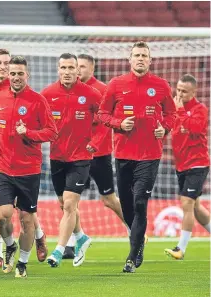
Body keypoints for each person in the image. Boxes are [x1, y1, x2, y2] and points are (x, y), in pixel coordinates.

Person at [98, 41, 176, 273]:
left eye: (144, 55)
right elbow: (102, 113)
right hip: (123, 154)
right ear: (129, 60)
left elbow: (171, 114)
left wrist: (165, 128)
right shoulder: (116, 84)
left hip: (150, 154)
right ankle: (139, 239)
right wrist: (118, 123)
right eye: (137, 55)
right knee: (128, 205)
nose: (140, 59)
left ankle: (132, 257)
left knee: (140, 201)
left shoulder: (161, 86)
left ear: (150, 61)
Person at [0, 49, 48, 267]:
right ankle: (7, 247)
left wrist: (29, 134)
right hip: (1, 163)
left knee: (26, 217)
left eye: (18, 72)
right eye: (12, 72)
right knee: (0, 212)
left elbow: (51, 132)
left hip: (28, 167)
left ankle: (27, 256)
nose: (14, 75)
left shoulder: (37, 100)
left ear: (27, 75)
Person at [58, 54, 129, 261]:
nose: (77, 70)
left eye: (81, 67)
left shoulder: (101, 90)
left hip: (99, 154)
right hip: (75, 155)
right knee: (68, 199)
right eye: (75, 66)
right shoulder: (69, 91)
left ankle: (133, 227)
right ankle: (72, 242)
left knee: (108, 199)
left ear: (92, 68)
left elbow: (109, 121)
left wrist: (96, 144)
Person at [41, 53, 101, 268]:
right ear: (58, 70)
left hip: (81, 158)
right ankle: (82, 236)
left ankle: (58, 250)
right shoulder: (47, 94)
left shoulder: (91, 94)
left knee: (68, 205)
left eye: (71, 68)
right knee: (63, 204)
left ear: (78, 71)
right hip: (57, 158)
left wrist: (96, 141)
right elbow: (39, 121)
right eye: (63, 68)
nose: (67, 72)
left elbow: (104, 119)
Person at [165, 74, 210, 259]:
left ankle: (180, 249)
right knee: (197, 207)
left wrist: (181, 111)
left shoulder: (200, 109)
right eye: (178, 90)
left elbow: (196, 129)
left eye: (184, 91)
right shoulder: (175, 109)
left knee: (187, 203)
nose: (180, 94)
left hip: (198, 163)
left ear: (194, 92)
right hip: (182, 165)